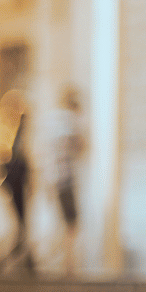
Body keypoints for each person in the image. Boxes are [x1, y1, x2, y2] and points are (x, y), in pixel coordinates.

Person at [0, 88, 34, 276]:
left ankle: (26, 260)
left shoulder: (19, 129)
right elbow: (0, 154)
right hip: (12, 177)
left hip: (20, 178)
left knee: (22, 222)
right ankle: (16, 259)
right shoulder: (4, 128)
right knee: (19, 222)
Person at [46, 85, 86, 277]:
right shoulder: (69, 121)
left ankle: (64, 263)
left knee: (63, 223)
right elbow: (80, 145)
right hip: (66, 180)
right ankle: (68, 266)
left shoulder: (53, 121)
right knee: (71, 224)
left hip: (54, 179)